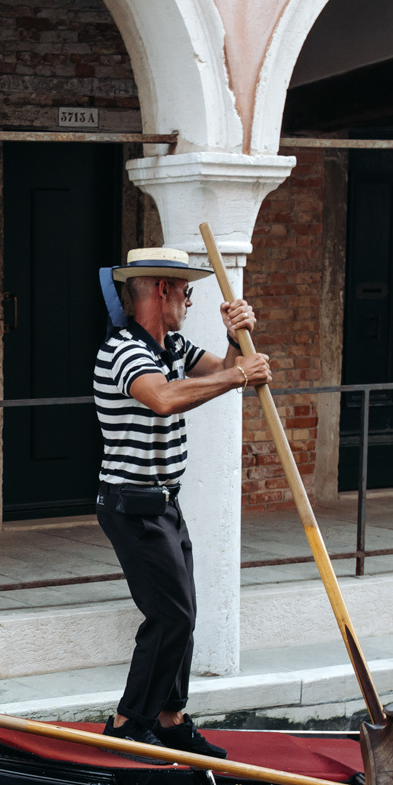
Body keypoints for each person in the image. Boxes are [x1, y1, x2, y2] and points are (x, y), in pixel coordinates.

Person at [92, 247, 271, 758]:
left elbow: (221, 372)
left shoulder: (173, 344)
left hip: (163, 503)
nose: (190, 301)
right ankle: (127, 723)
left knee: (185, 611)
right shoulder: (123, 350)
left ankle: (171, 718)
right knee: (170, 617)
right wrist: (240, 374)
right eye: (187, 292)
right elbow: (166, 397)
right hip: (130, 505)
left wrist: (237, 335)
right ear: (162, 290)